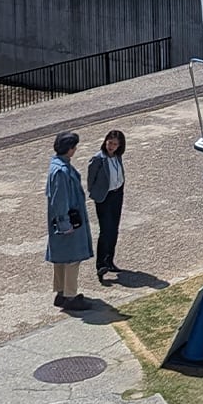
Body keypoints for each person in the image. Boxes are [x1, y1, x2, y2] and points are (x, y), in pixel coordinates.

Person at [45, 131, 94, 312]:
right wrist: (65, 223)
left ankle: (61, 292)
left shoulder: (57, 166)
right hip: (68, 221)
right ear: (69, 149)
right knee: (72, 259)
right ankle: (70, 296)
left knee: (61, 258)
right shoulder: (61, 171)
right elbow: (60, 200)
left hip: (63, 220)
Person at [87, 129, 126, 282]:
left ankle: (110, 260)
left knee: (114, 229)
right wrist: (96, 194)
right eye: (110, 143)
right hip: (104, 197)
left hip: (117, 194)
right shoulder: (98, 159)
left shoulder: (117, 156)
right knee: (105, 230)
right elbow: (91, 179)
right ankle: (101, 265)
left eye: (115, 144)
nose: (111, 146)